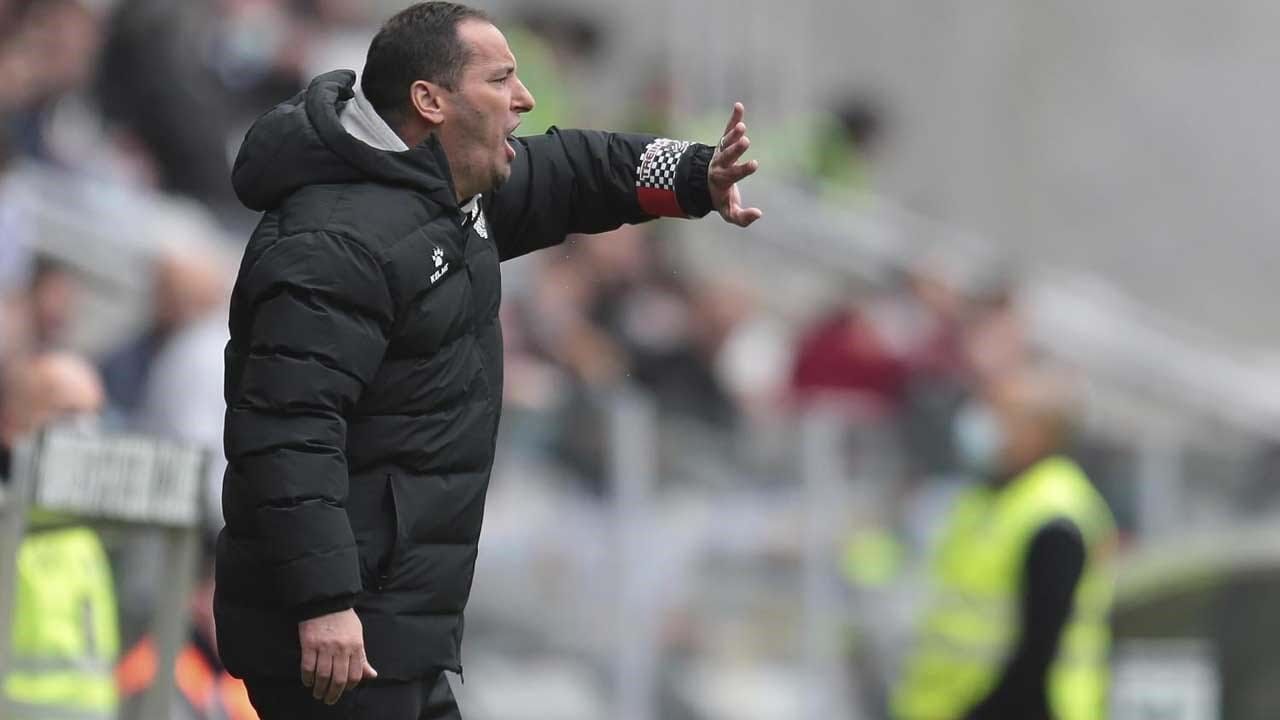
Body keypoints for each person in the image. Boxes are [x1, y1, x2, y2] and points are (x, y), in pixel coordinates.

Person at [215, 3, 762, 718]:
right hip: (337, 638)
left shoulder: (442, 193)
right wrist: (324, 603)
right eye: (500, 79)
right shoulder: (333, 241)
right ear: (430, 101)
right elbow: (289, 430)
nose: (524, 98)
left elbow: (574, 170)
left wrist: (696, 174)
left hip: (392, 629)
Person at [891, 365, 1118, 720]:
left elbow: (1038, 650)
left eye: (999, 413)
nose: (982, 423)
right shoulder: (988, 499)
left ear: (1037, 431)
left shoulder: (1053, 513)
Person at [0, 351, 121, 719]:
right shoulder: (8, 523)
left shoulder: (81, 531)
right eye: (68, 413)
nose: (86, 429)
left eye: (95, 414)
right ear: (11, 422)